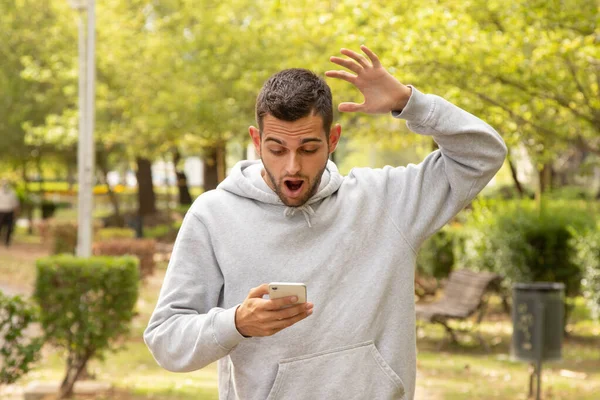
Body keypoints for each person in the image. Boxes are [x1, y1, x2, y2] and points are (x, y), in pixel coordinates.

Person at [144, 45, 507, 400]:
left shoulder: (386, 201)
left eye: (308, 148)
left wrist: (409, 102)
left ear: (332, 140)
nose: (292, 167)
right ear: (257, 142)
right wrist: (236, 323)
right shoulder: (214, 215)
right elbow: (165, 339)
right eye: (277, 149)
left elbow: (483, 154)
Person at [0, 179, 19, 247]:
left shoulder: (12, 193)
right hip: (1, 211)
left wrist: (15, 213)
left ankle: (7, 242)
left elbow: (15, 204)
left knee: (10, 228)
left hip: (9, 212)